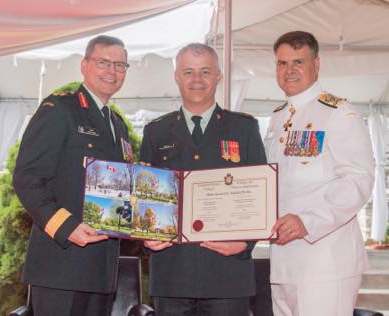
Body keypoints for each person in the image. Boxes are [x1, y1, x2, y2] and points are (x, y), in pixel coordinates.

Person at [139, 43, 267, 316]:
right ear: (176, 76)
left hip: (227, 275)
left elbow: (261, 195)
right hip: (172, 274)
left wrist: (246, 243)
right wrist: (146, 237)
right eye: (188, 72)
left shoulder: (244, 128)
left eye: (205, 71)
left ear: (218, 76)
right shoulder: (155, 132)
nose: (197, 80)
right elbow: (144, 196)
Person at [13, 35, 132, 316]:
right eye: (104, 62)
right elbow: (27, 178)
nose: (112, 71)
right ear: (84, 65)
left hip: (102, 269)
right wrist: (66, 227)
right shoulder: (59, 110)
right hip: (61, 265)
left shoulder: (118, 125)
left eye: (120, 65)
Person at [265, 31, 375, 316]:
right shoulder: (277, 118)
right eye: (282, 63)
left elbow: (358, 180)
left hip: (325, 260)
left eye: (298, 62)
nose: (289, 71)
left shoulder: (339, 113)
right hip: (283, 260)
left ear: (317, 64)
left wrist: (308, 221)